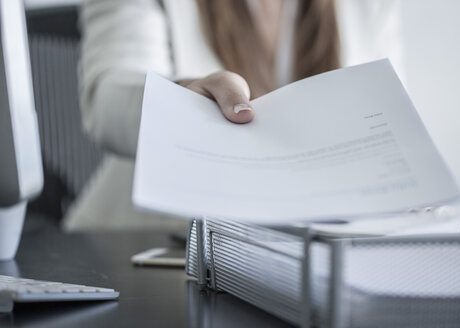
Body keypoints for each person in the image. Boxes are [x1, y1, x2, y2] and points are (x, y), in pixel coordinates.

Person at [64, 0, 403, 231]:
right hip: (141, 252)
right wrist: (182, 102)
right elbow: (106, 100)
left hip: (307, 258)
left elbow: (390, 116)